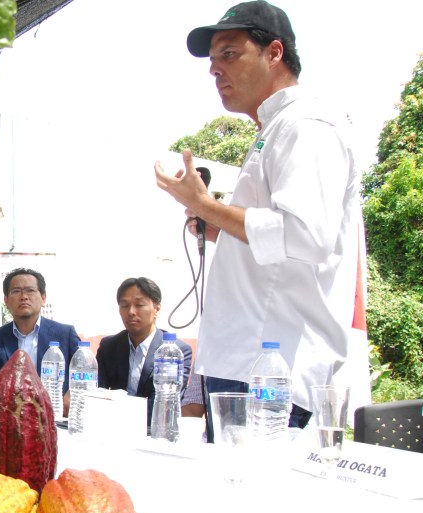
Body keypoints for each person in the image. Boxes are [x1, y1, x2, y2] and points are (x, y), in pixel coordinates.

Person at [154, 1, 365, 440]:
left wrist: (210, 207)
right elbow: (277, 245)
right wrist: (215, 228)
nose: (216, 71)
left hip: (270, 376)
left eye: (229, 54)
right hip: (243, 368)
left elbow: (306, 235)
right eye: (212, 62)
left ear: (274, 53)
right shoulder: (276, 128)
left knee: (253, 505)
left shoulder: (307, 124)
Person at [96, 278, 195, 430]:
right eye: (125, 306)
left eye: (139, 305)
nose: (131, 312)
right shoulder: (109, 346)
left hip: (154, 432)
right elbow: (97, 394)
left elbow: (164, 404)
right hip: (112, 429)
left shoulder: (175, 352)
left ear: (156, 308)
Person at [0, 268, 81, 400]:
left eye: (30, 290)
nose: (24, 297)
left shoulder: (65, 334)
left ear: (43, 298)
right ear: (6, 301)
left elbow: (86, 373)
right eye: (16, 291)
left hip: (56, 414)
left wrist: (72, 394)